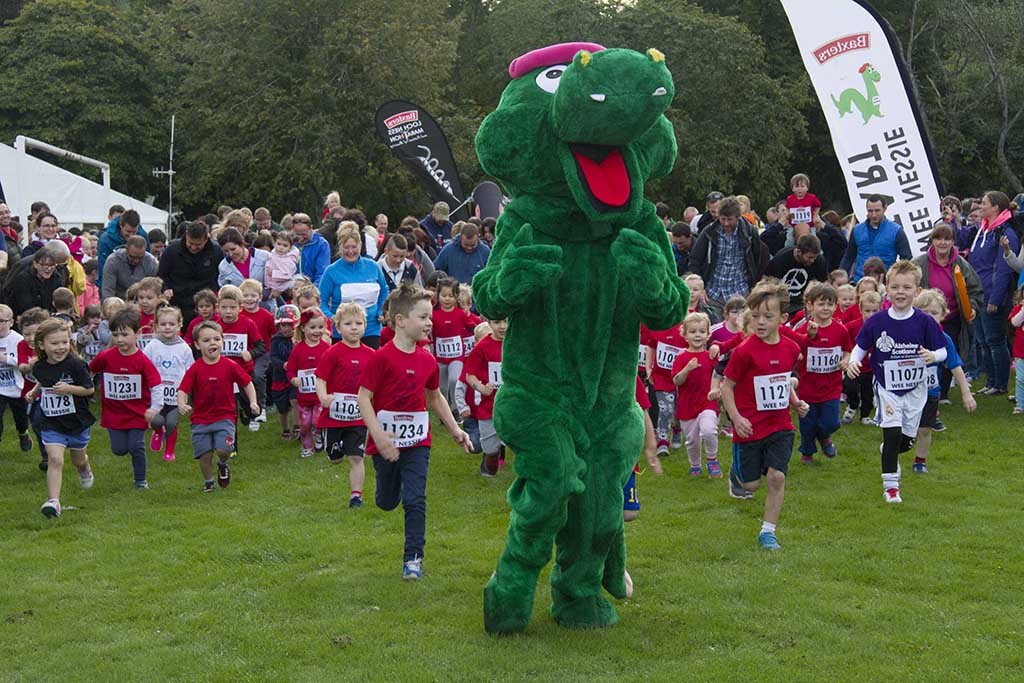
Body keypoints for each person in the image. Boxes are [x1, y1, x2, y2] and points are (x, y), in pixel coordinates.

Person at [355, 283, 472, 579]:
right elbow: (363, 397)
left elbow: (434, 396)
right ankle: (387, 493)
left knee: (415, 498)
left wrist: (456, 430)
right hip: (385, 443)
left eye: (429, 317)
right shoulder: (381, 358)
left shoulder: (427, 359)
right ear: (400, 321)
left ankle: (413, 559)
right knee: (386, 501)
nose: (429, 323)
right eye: (422, 317)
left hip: (418, 440)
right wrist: (379, 436)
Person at [846, 260, 948, 504]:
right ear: (887, 290)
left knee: (904, 442)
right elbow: (860, 346)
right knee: (891, 434)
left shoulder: (924, 321)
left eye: (906, 287)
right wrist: (853, 362)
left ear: (916, 290)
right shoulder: (877, 322)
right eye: (895, 287)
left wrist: (933, 356)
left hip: (916, 390)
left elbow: (943, 351)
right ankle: (891, 487)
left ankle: (889, 451)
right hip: (887, 388)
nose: (900, 292)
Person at [722, 281, 809, 550]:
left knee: (777, 477)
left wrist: (796, 403)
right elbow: (727, 387)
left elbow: (781, 382)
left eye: (767, 317)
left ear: (783, 319)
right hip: (748, 427)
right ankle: (737, 475)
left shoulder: (792, 349)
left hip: (779, 425)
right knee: (751, 485)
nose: (760, 322)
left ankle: (768, 532)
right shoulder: (744, 352)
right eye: (755, 316)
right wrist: (736, 418)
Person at [178, 321, 259, 493]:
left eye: (216, 339)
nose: (212, 343)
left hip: (225, 417)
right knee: (205, 454)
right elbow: (183, 389)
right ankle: (208, 482)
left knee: (224, 449)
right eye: (206, 340)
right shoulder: (195, 368)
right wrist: (181, 404)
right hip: (200, 420)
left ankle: (223, 464)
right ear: (198, 345)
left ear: (223, 341)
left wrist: (253, 401)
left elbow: (247, 383)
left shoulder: (230, 365)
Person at [29, 319, 96, 517]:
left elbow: (89, 389)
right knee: (55, 459)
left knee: (78, 460)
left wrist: (69, 389)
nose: (61, 347)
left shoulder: (76, 364)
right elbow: (44, 380)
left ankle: (84, 468)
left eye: (64, 342)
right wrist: (34, 391)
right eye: (55, 343)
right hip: (51, 422)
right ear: (42, 345)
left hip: (77, 422)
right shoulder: (39, 366)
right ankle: (53, 502)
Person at [88, 309, 162, 489]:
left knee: (136, 446)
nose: (120, 339)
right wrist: (84, 387)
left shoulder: (143, 361)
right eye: (115, 335)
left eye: (125, 334)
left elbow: (156, 385)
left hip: (137, 414)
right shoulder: (106, 356)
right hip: (114, 414)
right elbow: (90, 370)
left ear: (137, 334)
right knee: (119, 449)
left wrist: (154, 408)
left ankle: (140, 480)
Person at [912, 222, 983, 401]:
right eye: (938, 238)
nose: (943, 243)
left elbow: (975, 289)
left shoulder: (961, 264)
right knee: (923, 352)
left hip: (951, 317)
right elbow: (909, 285)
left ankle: (941, 392)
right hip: (924, 318)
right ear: (932, 240)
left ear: (953, 242)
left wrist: (972, 307)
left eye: (947, 239)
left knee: (949, 351)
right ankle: (919, 388)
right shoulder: (919, 263)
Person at [316, 302, 376, 506]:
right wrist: (323, 397)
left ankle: (356, 496)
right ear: (338, 327)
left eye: (358, 323)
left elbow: (379, 382)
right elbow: (321, 378)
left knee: (357, 457)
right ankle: (334, 448)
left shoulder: (371, 355)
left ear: (365, 326)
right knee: (335, 459)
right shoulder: (333, 352)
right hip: (333, 415)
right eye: (348, 323)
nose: (354, 327)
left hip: (358, 416)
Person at [912, 289, 976, 473]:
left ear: (943, 315)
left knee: (925, 430)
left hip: (931, 392)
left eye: (934, 313)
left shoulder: (944, 339)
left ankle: (920, 461)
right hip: (906, 391)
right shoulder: (908, 336)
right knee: (904, 431)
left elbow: (955, 366)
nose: (930, 317)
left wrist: (966, 394)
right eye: (925, 313)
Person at [795, 283, 852, 463]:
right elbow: (794, 350)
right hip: (807, 387)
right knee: (807, 423)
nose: (825, 308)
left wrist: (845, 360)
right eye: (821, 304)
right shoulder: (802, 330)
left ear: (836, 306)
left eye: (830, 304)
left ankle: (824, 435)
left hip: (831, 386)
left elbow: (848, 349)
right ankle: (807, 452)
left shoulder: (840, 330)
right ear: (810, 306)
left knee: (832, 422)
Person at [689, 196, 766, 322]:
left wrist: (754, 284)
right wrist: (701, 287)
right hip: (713, 292)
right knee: (714, 331)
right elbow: (694, 259)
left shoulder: (749, 233)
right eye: (722, 219)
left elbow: (759, 258)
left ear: (738, 217)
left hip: (740, 290)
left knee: (739, 331)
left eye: (729, 219)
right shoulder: (709, 232)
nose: (725, 223)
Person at [318, 223, 389, 348]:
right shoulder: (331, 271)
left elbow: (384, 290)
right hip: (342, 332)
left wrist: (380, 311)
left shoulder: (373, 266)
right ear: (340, 248)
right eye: (346, 247)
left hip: (371, 328)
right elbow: (321, 301)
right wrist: (331, 317)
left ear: (360, 246)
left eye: (354, 247)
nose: (350, 251)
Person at [671, 311, 720, 478]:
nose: (697, 335)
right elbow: (677, 381)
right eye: (693, 332)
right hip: (687, 405)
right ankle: (695, 465)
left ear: (708, 334)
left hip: (708, 403)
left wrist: (718, 389)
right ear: (685, 335)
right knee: (692, 440)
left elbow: (721, 374)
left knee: (708, 430)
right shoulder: (681, 357)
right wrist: (687, 369)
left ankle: (712, 460)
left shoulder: (712, 356)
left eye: (701, 331)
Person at [144, 306, 194, 462]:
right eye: (163, 324)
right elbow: (143, 365)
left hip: (176, 395)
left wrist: (188, 391)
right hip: (156, 394)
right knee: (157, 421)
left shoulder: (184, 348)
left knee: (171, 423)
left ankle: (170, 450)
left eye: (171, 324)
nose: (167, 327)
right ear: (157, 326)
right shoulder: (152, 345)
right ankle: (158, 432)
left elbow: (191, 371)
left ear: (179, 325)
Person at [215, 285, 264, 431]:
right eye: (224, 307)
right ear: (218, 308)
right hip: (223, 372)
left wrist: (251, 354)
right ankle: (230, 422)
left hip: (244, 371)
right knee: (228, 403)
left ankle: (251, 414)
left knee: (246, 400)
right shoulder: (215, 326)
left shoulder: (248, 324)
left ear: (240, 308)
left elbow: (261, 346)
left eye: (232, 307)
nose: (228, 311)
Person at [462, 315, 506, 477]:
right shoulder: (482, 347)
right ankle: (491, 461)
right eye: (497, 322)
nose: (502, 326)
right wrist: (480, 387)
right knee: (490, 448)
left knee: (524, 443)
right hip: (488, 407)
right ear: (488, 323)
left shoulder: (517, 343)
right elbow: (469, 375)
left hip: (513, 405)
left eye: (506, 321)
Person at [286, 309, 331, 458]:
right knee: (304, 425)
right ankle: (307, 447)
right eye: (312, 327)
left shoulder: (326, 349)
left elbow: (333, 368)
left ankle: (319, 435)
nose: (317, 331)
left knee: (318, 421)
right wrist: (293, 379)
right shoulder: (298, 350)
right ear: (303, 328)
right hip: (304, 398)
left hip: (319, 396)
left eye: (320, 327)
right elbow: (291, 369)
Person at [158, 221, 223, 323]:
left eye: (198, 244)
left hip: (206, 304)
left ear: (206, 239)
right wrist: (166, 288)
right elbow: (161, 275)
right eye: (190, 243)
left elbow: (221, 276)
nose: (193, 247)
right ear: (186, 236)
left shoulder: (216, 251)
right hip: (178, 302)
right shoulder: (172, 250)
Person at [840, 195, 912, 279]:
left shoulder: (896, 231)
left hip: (885, 281)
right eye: (870, 211)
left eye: (877, 211)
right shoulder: (857, 230)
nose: (874, 215)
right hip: (860, 281)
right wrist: (841, 276)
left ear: (885, 209)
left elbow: (907, 260)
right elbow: (848, 257)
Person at [432, 278, 477, 412]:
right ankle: (443, 410)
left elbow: (472, 327)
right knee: (442, 387)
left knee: (454, 380)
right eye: (444, 295)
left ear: (456, 296)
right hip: (440, 358)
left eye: (451, 296)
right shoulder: (433, 315)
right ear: (438, 295)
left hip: (457, 357)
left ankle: (455, 408)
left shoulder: (460, 314)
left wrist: (481, 331)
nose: (447, 299)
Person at [645, 314, 687, 455]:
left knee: (680, 408)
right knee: (665, 408)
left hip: (682, 377)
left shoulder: (686, 328)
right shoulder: (659, 326)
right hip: (661, 377)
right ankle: (662, 442)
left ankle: (677, 429)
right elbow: (651, 346)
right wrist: (648, 368)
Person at [841, 291, 881, 425]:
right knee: (850, 388)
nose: (871, 315)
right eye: (867, 311)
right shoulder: (852, 326)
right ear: (860, 310)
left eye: (875, 311)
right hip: (853, 366)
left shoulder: (882, 328)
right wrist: (846, 358)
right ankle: (852, 406)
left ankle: (865, 416)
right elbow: (843, 341)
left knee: (868, 394)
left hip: (871, 369)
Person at [766, 234, 829, 315]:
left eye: (814, 257)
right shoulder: (781, 258)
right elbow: (771, 284)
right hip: (783, 302)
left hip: (803, 303)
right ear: (799, 251)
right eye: (809, 257)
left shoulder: (819, 261)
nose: (812, 261)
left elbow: (823, 284)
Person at [0, 303, 32, 452]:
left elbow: (23, 362)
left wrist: (4, 359)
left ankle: (23, 433)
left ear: (11, 322)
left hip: (16, 386)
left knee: (20, 417)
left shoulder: (18, 339)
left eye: (2, 321)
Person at [9, 244, 68, 319]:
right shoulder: (23, 279)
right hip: (27, 318)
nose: (48, 269)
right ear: (35, 264)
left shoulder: (56, 278)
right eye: (45, 265)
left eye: (52, 265)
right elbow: (26, 307)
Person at [96, 210, 149, 288]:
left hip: (138, 285)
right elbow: (103, 269)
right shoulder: (106, 240)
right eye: (128, 231)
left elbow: (147, 261)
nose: (131, 235)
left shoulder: (143, 236)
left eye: (134, 232)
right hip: (114, 283)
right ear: (121, 225)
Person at [270, 305, 300, 440]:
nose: (286, 329)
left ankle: (297, 427)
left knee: (295, 400)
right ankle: (285, 428)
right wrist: (283, 364)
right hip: (280, 377)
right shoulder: (276, 340)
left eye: (290, 325)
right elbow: (273, 357)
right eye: (283, 325)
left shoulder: (299, 340)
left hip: (295, 377)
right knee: (282, 408)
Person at [101, 235, 159, 300]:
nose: (136, 261)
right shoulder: (113, 261)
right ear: (126, 250)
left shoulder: (152, 262)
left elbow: (155, 289)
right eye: (133, 257)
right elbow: (108, 290)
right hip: (118, 301)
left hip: (143, 300)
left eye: (140, 257)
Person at [785, 173, 822, 241]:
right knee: (789, 240)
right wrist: (788, 215)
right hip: (794, 225)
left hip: (809, 225)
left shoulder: (811, 198)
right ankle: (789, 250)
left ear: (807, 188)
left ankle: (819, 251)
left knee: (814, 238)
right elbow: (787, 208)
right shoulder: (789, 199)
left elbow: (818, 206)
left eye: (802, 186)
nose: (799, 189)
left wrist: (815, 215)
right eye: (797, 186)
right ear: (792, 188)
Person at [265, 231, 300, 300]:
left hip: (282, 289)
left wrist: (273, 273)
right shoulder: (273, 254)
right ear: (274, 243)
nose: (281, 247)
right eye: (279, 244)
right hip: (270, 286)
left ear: (290, 247)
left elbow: (287, 275)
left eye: (285, 245)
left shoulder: (289, 260)